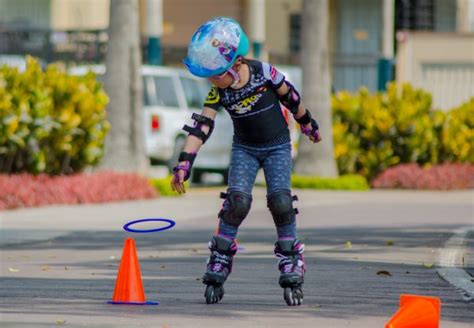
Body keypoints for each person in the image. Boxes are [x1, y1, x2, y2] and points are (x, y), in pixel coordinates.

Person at [170, 17, 321, 306]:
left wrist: (307, 124)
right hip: (245, 148)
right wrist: (184, 163)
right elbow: (202, 126)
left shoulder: (263, 73)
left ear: (236, 63)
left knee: (281, 201)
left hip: (277, 146)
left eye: (217, 74)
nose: (213, 81)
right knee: (237, 201)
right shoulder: (219, 90)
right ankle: (220, 257)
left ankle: (291, 259)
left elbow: (291, 97)